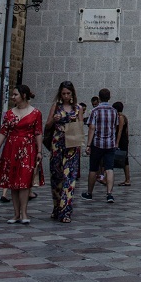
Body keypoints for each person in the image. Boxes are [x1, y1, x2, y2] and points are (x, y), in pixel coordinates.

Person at [0, 84, 43, 225]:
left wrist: (39, 151)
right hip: (11, 148)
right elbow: (3, 132)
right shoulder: (9, 113)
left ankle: (24, 213)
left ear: (24, 95)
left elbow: (38, 132)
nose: (13, 97)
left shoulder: (35, 113)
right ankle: (15, 214)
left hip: (28, 148)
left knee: (25, 181)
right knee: (13, 181)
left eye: (15, 95)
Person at [46, 80, 83, 223]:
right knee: (56, 177)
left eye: (68, 93)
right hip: (57, 144)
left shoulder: (78, 108)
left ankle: (65, 211)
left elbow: (80, 128)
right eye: (63, 93)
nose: (66, 96)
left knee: (69, 178)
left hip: (72, 145)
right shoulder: (56, 107)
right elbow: (48, 125)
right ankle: (57, 207)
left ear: (72, 93)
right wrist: (54, 120)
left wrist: (73, 121)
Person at [82, 88, 118, 203]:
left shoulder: (95, 111)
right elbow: (115, 127)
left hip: (97, 143)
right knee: (109, 168)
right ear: (109, 97)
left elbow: (92, 128)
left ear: (99, 97)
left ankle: (89, 193)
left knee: (93, 168)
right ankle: (109, 194)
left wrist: (88, 145)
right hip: (110, 144)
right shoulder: (114, 111)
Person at [113, 101, 131, 185]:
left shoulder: (120, 117)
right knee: (125, 160)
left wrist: (117, 142)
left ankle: (127, 179)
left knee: (125, 160)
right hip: (124, 140)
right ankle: (127, 179)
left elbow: (120, 130)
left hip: (121, 140)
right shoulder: (124, 117)